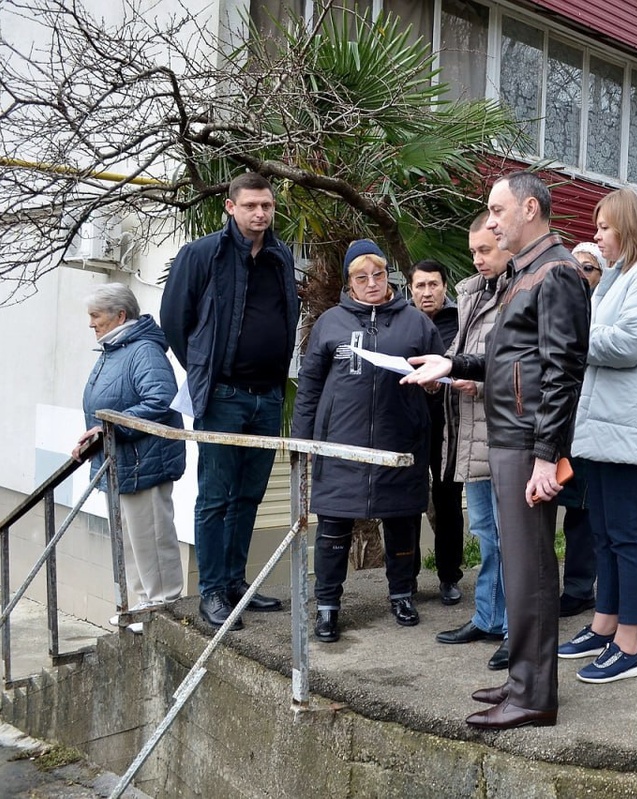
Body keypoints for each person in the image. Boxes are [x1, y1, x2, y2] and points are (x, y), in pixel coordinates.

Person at [403, 172, 590, 730]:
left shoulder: (557, 272)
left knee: (531, 569)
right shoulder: (524, 273)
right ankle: (521, 679)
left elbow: (562, 372)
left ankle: (534, 696)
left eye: (497, 210)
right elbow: (510, 360)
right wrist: (452, 362)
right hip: (511, 436)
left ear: (529, 209)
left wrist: (546, 454)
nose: (490, 221)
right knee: (519, 564)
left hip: (527, 442)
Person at [557, 189, 637, 683]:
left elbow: (630, 344)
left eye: (604, 227)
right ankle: (604, 625)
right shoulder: (619, 275)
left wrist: (569, 339)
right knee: (604, 533)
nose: (596, 237)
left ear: (628, 227)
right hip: (607, 427)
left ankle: (630, 645)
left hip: (632, 431)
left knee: (627, 536)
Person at [161, 172, 299, 630]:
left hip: (268, 397)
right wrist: (206, 368)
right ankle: (213, 591)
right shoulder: (203, 254)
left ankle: (236, 584)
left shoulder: (280, 257)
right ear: (231, 207)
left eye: (267, 205)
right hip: (223, 396)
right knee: (216, 496)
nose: (260, 213)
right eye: (251, 205)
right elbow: (175, 320)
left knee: (249, 495)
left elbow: (287, 315)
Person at [291, 240, 443, 639]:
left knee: (402, 522)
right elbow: (309, 385)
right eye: (362, 277)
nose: (372, 283)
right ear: (349, 282)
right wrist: (303, 442)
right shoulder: (331, 323)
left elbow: (439, 375)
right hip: (341, 444)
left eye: (378, 274)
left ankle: (402, 595)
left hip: (400, 440)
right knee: (333, 526)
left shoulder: (416, 323)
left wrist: (432, 386)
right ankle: (327, 606)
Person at [73, 284, 186, 635]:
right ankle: (144, 603)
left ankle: (163, 606)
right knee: (133, 540)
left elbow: (160, 400)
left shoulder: (144, 351)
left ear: (120, 315)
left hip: (145, 461)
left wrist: (110, 428)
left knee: (151, 537)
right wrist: (94, 438)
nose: (91, 323)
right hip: (122, 461)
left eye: (96, 316)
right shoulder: (116, 349)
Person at [434, 214, 511, 670]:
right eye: (473, 252)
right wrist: (437, 369)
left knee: (512, 538)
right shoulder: (470, 292)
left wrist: (476, 381)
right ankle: (488, 617)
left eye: (485, 250)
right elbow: (461, 352)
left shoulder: (521, 292)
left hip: (505, 433)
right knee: (485, 533)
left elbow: (522, 364)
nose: (477, 259)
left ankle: (517, 630)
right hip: (471, 431)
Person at [557, 241, 609, 618]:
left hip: (592, 421)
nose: (580, 274)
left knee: (583, 512)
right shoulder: (559, 306)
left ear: (602, 275)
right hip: (559, 423)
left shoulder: (604, 309)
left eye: (588, 268)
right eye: (573, 267)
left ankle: (579, 589)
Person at [409, 259, 465, 606]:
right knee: (406, 502)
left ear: (445, 286)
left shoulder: (460, 321)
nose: (427, 292)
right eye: (420, 286)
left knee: (447, 502)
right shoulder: (401, 321)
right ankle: (406, 579)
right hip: (408, 425)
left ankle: (449, 576)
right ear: (410, 289)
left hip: (449, 424)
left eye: (433, 285)